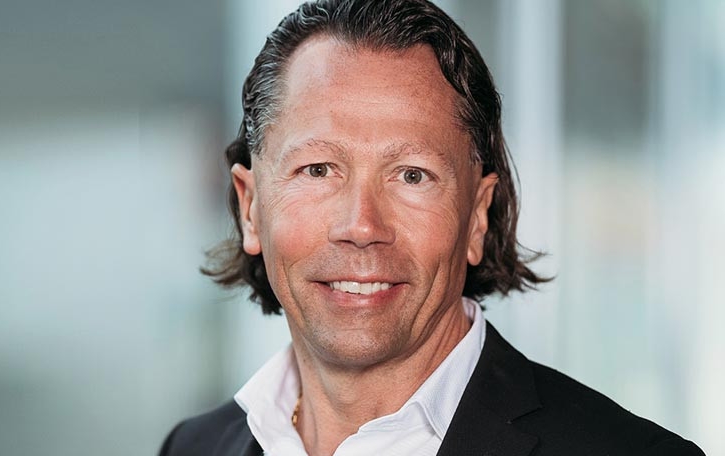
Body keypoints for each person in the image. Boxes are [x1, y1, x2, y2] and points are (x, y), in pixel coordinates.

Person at [160, 0, 705, 455]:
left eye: (412, 175)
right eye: (318, 170)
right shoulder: (192, 447)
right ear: (251, 207)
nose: (361, 226)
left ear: (477, 216)